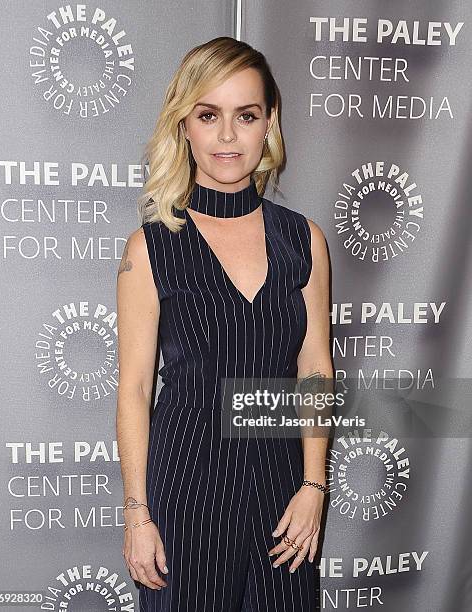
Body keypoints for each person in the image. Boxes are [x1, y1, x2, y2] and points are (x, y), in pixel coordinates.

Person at [116, 36, 332, 612]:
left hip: (282, 492)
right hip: (185, 489)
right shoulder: (152, 247)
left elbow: (315, 368)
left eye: (246, 115)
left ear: (269, 125)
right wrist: (137, 514)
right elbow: (136, 389)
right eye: (209, 115)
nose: (228, 135)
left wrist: (314, 487)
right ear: (185, 125)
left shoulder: (302, 239)